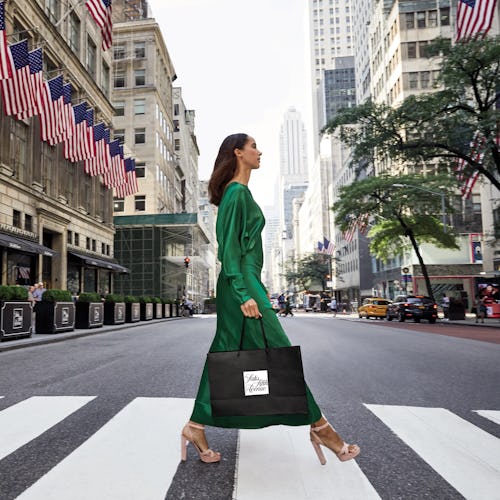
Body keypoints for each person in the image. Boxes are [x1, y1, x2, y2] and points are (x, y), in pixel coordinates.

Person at [181, 133, 359, 465]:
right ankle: (320, 426)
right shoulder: (236, 193)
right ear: (238, 153)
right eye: (253, 146)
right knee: (276, 350)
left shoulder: (241, 193)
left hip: (248, 281)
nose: (259, 151)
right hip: (242, 282)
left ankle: (195, 426)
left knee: (228, 351)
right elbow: (228, 249)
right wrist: (243, 293)